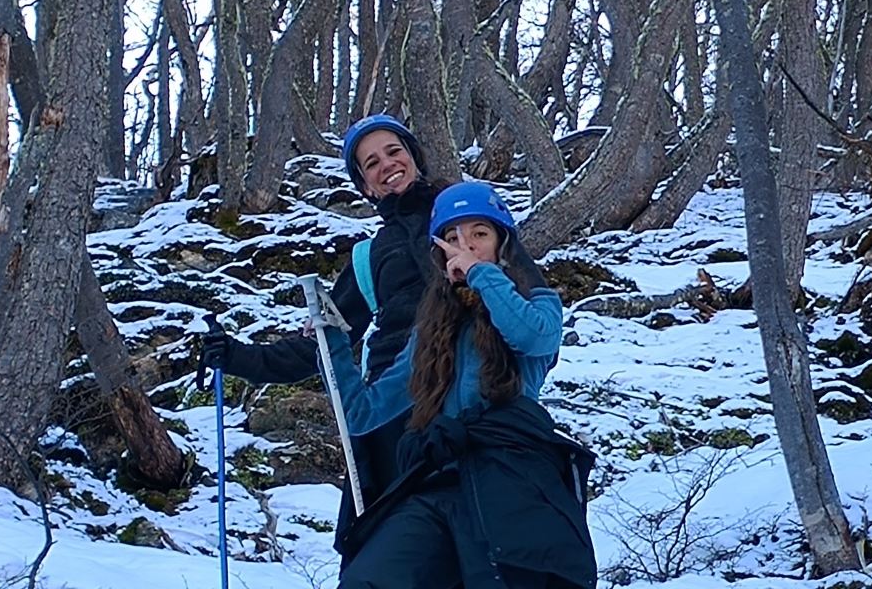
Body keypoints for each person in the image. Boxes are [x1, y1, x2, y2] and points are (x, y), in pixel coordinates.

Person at [323, 182, 597, 589]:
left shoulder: (538, 305)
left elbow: (531, 337)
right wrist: (333, 343)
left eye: (478, 235)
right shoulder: (430, 330)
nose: (464, 246)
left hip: (511, 479)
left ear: (503, 244)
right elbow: (361, 415)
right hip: (436, 478)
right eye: (452, 238)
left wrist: (480, 274)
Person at [196, 114, 442, 562]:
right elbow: (322, 348)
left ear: (414, 158)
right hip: (394, 411)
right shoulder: (369, 257)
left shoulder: (464, 216)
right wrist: (235, 357)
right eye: (371, 163)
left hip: (469, 397)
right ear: (365, 186)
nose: (386, 164)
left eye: (394, 151)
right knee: (391, 552)